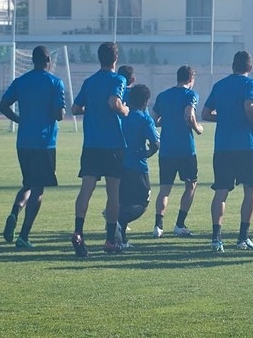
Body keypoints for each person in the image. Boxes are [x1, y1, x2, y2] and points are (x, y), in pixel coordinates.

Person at [0, 46, 65, 248]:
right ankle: (24, 236)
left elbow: (3, 105)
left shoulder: (21, 81)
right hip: (44, 142)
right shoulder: (55, 82)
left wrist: (20, 119)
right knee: (38, 189)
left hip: (24, 142)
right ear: (48, 61)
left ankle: (14, 211)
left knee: (28, 183)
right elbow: (59, 115)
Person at [70, 42, 129, 256]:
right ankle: (110, 240)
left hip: (91, 144)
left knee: (86, 189)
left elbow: (75, 108)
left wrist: (92, 109)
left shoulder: (89, 81)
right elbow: (114, 102)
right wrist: (124, 111)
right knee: (113, 192)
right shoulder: (118, 79)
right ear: (115, 59)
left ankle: (78, 232)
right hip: (112, 144)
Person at [202, 50, 253, 252]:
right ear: (250, 68)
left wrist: (225, 117)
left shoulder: (220, 85)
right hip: (246, 145)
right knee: (250, 190)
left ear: (232, 66)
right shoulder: (251, 84)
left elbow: (205, 113)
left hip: (223, 146)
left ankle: (216, 238)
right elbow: (249, 106)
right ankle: (243, 238)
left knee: (221, 192)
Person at [151, 65, 202, 238]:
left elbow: (154, 119)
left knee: (165, 188)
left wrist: (167, 121)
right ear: (190, 79)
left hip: (166, 150)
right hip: (185, 149)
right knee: (191, 185)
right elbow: (189, 115)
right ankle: (180, 224)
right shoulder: (190, 95)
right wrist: (197, 128)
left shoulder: (163, 96)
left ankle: (158, 226)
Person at [118, 84, 159, 247]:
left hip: (119, 164)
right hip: (137, 165)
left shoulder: (122, 116)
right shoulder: (144, 118)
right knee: (142, 202)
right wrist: (147, 154)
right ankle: (118, 221)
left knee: (124, 200)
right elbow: (155, 143)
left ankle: (120, 239)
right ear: (146, 101)